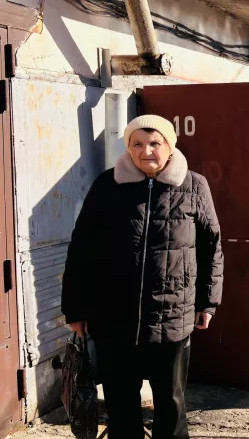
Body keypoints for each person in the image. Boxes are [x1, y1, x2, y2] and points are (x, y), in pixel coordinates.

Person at [62, 115, 224, 439]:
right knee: (121, 408)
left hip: (172, 318)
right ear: (128, 147)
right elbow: (82, 249)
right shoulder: (107, 186)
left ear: (170, 146)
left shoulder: (194, 186)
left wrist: (208, 303)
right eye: (137, 144)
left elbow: (212, 248)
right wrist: (76, 309)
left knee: (172, 407)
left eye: (154, 143)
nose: (146, 151)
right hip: (113, 319)